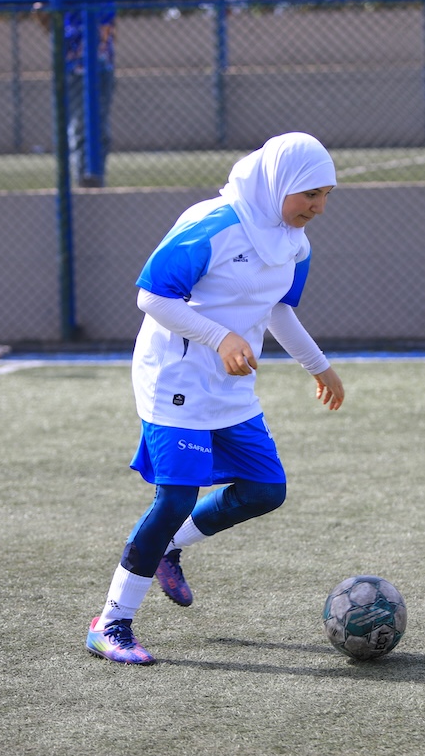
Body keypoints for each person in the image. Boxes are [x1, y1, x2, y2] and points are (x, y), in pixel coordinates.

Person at [86, 132, 346, 665]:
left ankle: (169, 546)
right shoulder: (213, 224)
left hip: (231, 383)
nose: (319, 207)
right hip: (174, 378)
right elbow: (152, 297)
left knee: (265, 489)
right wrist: (220, 337)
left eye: (326, 195)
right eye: (310, 194)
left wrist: (318, 366)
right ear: (278, 184)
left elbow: (278, 311)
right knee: (176, 498)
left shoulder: (295, 243)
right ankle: (110, 622)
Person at [35, 0, 116, 187]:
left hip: (101, 66)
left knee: (101, 130)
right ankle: (83, 178)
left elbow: (109, 28)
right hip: (75, 68)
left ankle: (96, 177)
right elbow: (42, 11)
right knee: (79, 127)